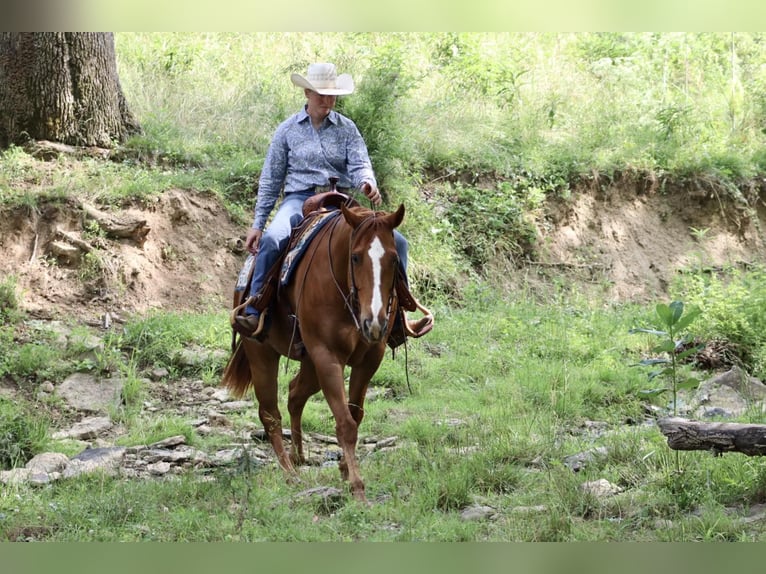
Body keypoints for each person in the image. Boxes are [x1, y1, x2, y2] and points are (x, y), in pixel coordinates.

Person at [235, 62, 430, 341]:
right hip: (300, 199)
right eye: (320, 94)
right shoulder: (287, 131)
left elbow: (361, 163)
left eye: (332, 95)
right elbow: (271, 179)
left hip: (343, 203)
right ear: (307, 93)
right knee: (272, 239)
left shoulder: (347, 128)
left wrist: (368, 182)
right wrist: (257, 223)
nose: (327, 100)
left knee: (398, 242)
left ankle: (399, 313)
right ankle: (255, 307)